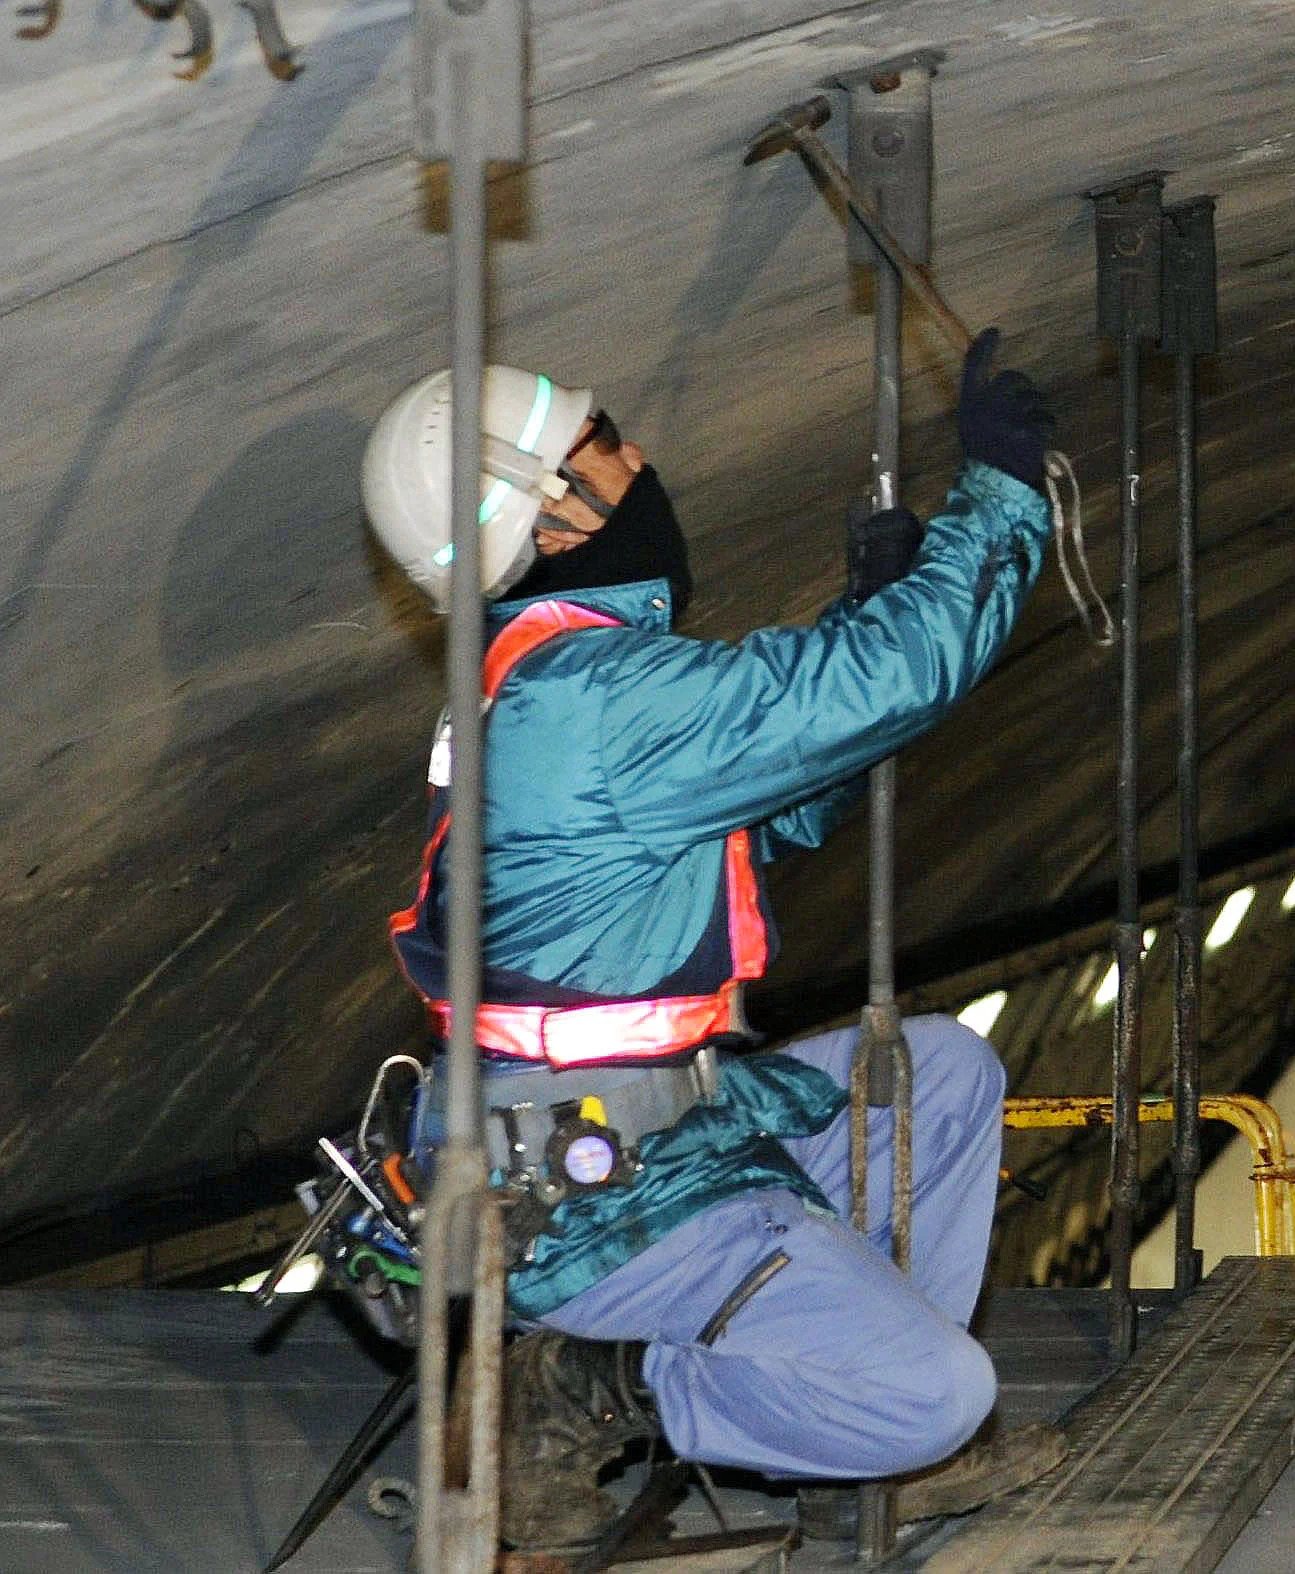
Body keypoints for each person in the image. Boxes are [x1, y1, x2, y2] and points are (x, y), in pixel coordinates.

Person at [360, 331, 1063, 1550]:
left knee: (943, 1073)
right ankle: (599, 1384)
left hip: (659, 1122)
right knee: (940, 1390)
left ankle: (849, 1432)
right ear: (559, 513)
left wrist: (858, 615)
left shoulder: (549, 674)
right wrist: (996, 500)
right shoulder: (595, 698)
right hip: (587, 1195)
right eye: (603, 444)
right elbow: (895, 677)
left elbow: (781, 799)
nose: (639, 456)